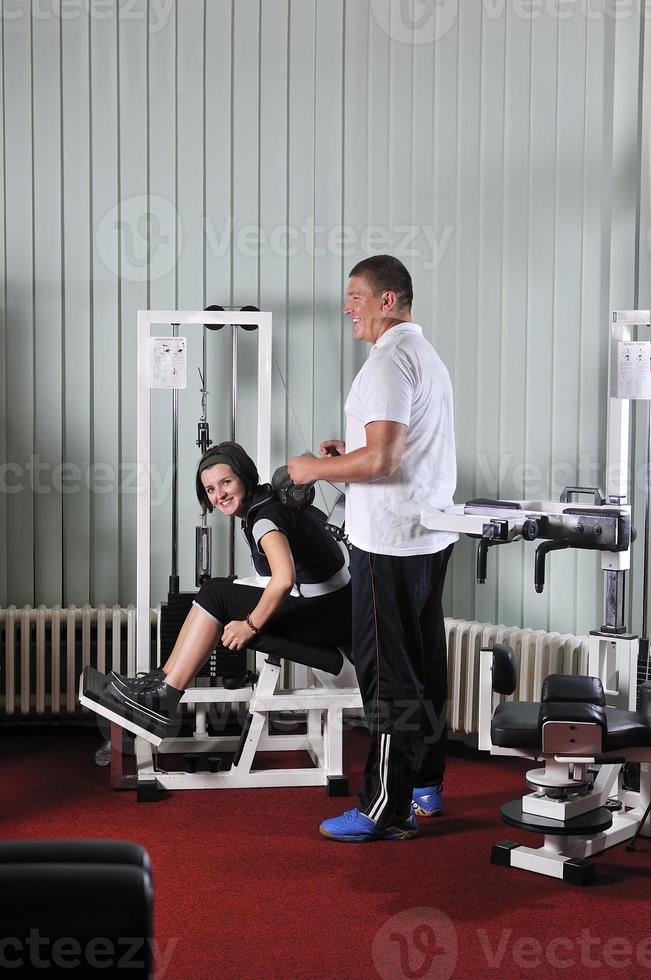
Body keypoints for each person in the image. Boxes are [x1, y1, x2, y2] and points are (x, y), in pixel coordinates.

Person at [288, 255, 457, 843]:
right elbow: (396, 453)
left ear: (389, 300)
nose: (347, 307)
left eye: (356, 296)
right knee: (425, 665)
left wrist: (311, 468)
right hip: (426, 537)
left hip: (388, 544)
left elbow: (383, 460)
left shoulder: (389, 361)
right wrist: (343, 459)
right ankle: (424, 785)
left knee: (388, 675)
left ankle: (386, 805)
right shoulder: (422, 356)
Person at [106, 442, 352, 739]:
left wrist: (250, 625)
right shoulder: (266, 502)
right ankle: (160, 682)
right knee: (215, 590)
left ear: (244, 477)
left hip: (326, 618)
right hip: (332, 607)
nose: (219, 494)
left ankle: (163, 699)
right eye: (210, 489)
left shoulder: (265, 519)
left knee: (215, 596)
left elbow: (284, 579)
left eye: (226, 482)